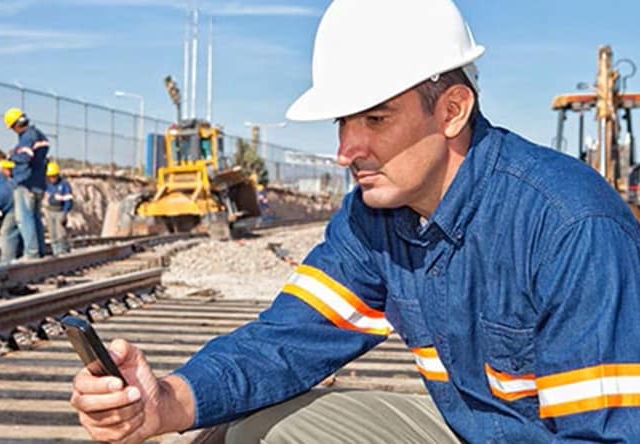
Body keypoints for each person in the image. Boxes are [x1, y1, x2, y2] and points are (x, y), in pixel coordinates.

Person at [69, 1, 640, 443]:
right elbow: (287, 341)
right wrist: (164, 401)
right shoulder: (377, 217)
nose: (347, 149)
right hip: (467, 430)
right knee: (255, 428)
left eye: (375, 117)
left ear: (452, 111)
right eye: (344, 121)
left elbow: (604, 434)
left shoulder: (569, 228)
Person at [4, 108, 49, 260]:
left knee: (24, 218)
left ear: (16, 125)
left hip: (26, 183)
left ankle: (31, 253)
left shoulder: (27, 137)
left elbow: (25, 157)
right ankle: (39, 250)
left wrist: (11, 157)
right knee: (34, 217)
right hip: (38, 183)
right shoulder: (38, 134)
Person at [0, 159, 21, 265]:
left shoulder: (12, 181)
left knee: (7, 233)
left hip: (11, 209)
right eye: (8, 169)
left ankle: (7, 261)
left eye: (11, 169)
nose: (10, 171)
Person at [44, 161, 73, 255]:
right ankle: (56, 251)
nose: (52, 178)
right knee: (53, 234)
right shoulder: (48, 185)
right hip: (50, 211)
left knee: (61, 233)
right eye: (50, 176)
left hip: (60, 211)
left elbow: (68, 200)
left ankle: (63, 251)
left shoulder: (64, 185)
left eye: (53, 176)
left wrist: (65, 213)